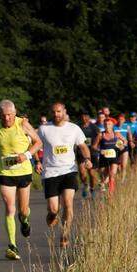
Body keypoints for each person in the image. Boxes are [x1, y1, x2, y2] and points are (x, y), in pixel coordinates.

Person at [0, 100, 42, 260]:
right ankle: (12, 246)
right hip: (5, 173)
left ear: (15, 113)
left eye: (10, 115)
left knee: (23, 210)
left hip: (23, 172)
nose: (7, 119)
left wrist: (27, 155)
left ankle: (25, 221)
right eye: (3, 116)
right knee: (10, 208)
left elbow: (38, 142)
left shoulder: (23, 124)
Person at [37, 102, 91, 248]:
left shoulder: (74, 128)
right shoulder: (44, 129)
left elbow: (83, 146)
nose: (56, 114)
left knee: (68, 203)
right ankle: (52, 214)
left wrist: (87, 159)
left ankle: (65, 234)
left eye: (59, 111)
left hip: (69, 171)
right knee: (54, 209)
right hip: (50, 173)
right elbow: (35, 145)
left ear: (64, 111)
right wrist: (37, 161)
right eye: (54, 112)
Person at [93, 119, 121, 194]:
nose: (107, 126)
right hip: (104, 158)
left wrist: (121, 145)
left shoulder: (116, 134)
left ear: (112, 125)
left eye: (109, 124)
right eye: (105, 124)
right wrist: (99, 150)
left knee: (112, 175)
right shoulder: (101, 135)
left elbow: (124, 141)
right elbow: (94, 146)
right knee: (104, 177)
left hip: (114, 157)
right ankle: (102, 184)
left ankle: (110, 195)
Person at [79, 111, 100, 198]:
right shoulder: (79, 127)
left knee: (91, 173)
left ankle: (92, 188)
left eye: (86, 116)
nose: (84, 118)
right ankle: (85, 185)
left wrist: (95, 144)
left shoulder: (93, 127)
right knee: (82, 172)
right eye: (83, 117)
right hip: (81, 152)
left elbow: (99, 134)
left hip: (92, 152)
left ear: (88, 117)